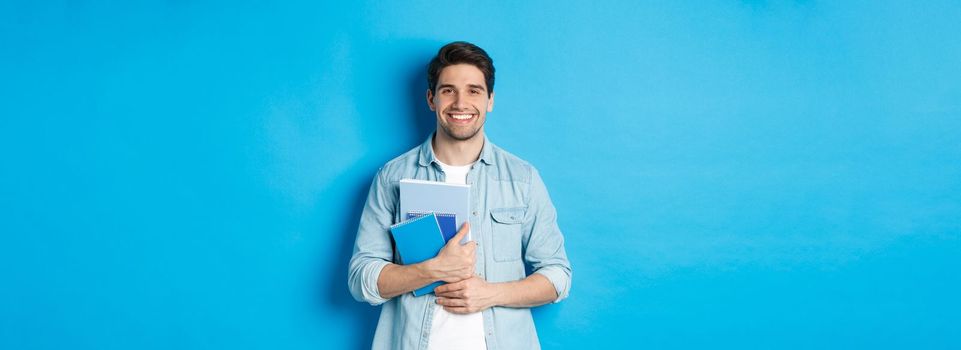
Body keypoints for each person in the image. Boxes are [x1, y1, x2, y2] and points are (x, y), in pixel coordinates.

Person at [348, 41, 572, 350]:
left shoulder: (522, 179)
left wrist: (491, 293)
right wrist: (432, 270)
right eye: (448, 90)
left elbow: (558, 276)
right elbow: (362, 279)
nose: (460, 103)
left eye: (474, 91)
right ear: (431, 99)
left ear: (490, 100)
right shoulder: (392, 177)